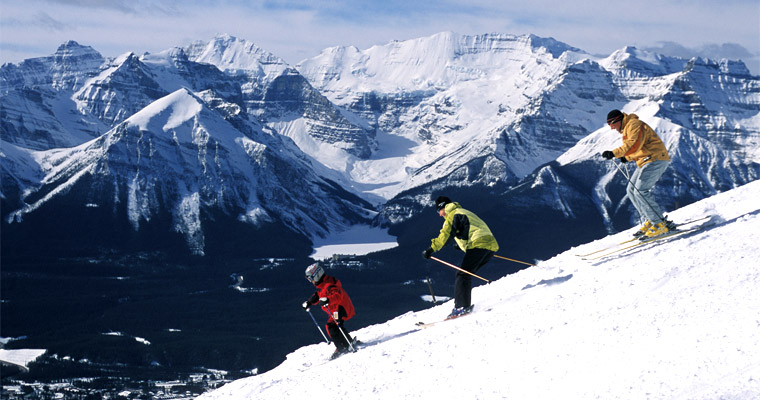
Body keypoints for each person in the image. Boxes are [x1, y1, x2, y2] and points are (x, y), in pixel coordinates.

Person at [422, 196, 499, 320]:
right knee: (466, 274)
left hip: (478, 244)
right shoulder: (464, 212)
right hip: (490, 245)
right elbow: (472, 229)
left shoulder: (453, 214)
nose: (440, 215)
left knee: (462, 274)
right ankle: (462, 307)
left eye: (438, 211)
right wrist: (463, 246)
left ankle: (461, 308)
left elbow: (445, 235)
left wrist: (431, 249)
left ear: (443, 207)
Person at [601, 109, 673, 239]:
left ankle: (659, 224)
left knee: (641, 190)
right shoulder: (628, 127)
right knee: (631, 190)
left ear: (618, 120)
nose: (611, 128)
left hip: (656, 158)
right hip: (646, 159)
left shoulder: (634, 124)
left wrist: (614, 153)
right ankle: (652, 221)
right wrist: (627, 158)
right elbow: (640, 147)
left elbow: (633, 145)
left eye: (611, 124)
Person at [302, 263, 356, 358]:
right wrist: (309, 302)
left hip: (340, 307)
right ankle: (345, 343)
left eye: (311, 279)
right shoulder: (323, 284)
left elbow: (337, 295)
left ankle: (343, 346)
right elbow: (318, 295)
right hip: (335, 309)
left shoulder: (330, 284)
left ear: (317, 275)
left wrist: (328, 300)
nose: (312, 282)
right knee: (333, 326)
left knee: (333, 326)